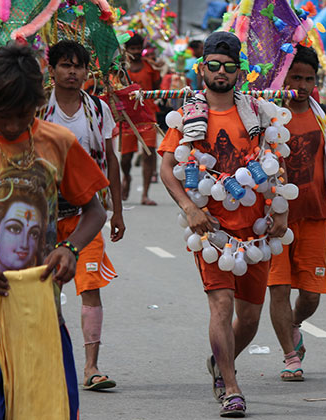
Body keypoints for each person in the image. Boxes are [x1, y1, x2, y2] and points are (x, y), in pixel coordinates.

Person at [159, 31, 287, 418]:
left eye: (228, 67)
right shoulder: (186, 117)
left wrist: (280, 208)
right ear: (202, 69)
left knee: (249, 317)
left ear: (238, 72)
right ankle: (231, 386)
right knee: (221, 304)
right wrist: (189, 208)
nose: (220, 73)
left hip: (257, 229)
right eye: (213, 65)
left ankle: (220, 361)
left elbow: (276, 161)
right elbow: (167, 168)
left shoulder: (258, 114)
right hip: (212, 231)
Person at [0, 44, 108, 420]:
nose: (16, 124)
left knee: (53, 412)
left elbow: (95, 210)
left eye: (25, 113)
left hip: (39, 313)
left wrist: (70, 247)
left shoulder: (57, 142)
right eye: (5, 115)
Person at [268, 45, 326, 381]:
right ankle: (290, 356)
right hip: (275, 221)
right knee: (278, 288)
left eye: (309, 79)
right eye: (296, 78)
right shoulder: (268, 116)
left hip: (316, 216)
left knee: (310, 294)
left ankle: (293, 324)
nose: (302, 85)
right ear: (284, 78)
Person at [43, 40, 125, 391]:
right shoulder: (36, 108)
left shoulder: (97, 109)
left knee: (90, 288)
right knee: (44, 291)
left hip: (85, 214)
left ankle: (91, 367)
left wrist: (117, 210)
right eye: (65, 65)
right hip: (43, 216)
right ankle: (48, 363)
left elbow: (111, 158)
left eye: (78, 66)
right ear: (52, 70)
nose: (72, 72)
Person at [121, 33, 160, 205]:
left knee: (149, 154)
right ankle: (127, 177)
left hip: (148, 117)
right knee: (126, 158)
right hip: (127, 118)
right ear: (126, 50)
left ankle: (145, 193)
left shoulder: (151, 68)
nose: (136, 51)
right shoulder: (121, 70)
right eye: (133, 48)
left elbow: (158, 89)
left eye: (138, 48)